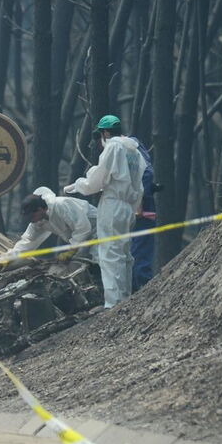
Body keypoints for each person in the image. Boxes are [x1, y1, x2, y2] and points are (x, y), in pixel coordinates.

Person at [65, 115, 146, 308]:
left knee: (110, 255)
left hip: (113, 205)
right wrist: (135, 207)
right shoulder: (134, 152)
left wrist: (79, 185)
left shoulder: (114, 147)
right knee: (125, 255)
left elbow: (98, 180)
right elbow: (139, 185)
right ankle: (125, 299)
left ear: (105, 132)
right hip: (127, 206)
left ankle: (113, 303)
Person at [10, 186, 97, 262]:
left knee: (100, 260)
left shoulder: (61, 205)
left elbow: (82, 227)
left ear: (40, 209)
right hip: (84, 239)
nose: (31, 220)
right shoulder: (38, 221)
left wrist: (72, 250)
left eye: (32, 216)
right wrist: (10, 257)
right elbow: (29, 240)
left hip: (99, 230)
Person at [129, 137, 157, 292]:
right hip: (129, 209)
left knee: (140, 253)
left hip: (142, 209)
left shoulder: (132, 148)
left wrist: (139, 204)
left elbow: (146, 174)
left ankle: (145, 291)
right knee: (132, 252)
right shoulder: (123, 150)